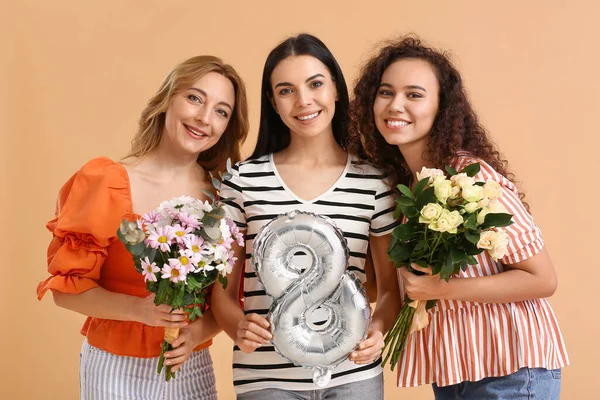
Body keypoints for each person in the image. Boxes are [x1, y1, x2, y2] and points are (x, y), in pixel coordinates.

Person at [349, 35, 569, 399]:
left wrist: (443, 289)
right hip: (455, 371)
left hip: (510, 368)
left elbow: (543, 279)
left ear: (441, 107)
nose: (395, 105)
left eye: (414, 95)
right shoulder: (404, 189)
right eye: (385, 92)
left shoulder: (470, 177)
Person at [36, 55, 249, 399]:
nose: (204, 118)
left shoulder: (223, 197)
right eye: (194, 98)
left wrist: (196, 334)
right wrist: (140, 311)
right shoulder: (106, 182)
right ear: (167, 99)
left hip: (189, 366)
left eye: (221, 111)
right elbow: (65, 290)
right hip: (112, 366)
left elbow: (226, 300)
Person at [211, 33, 400, 400]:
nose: (303, 101)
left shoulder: (374, 183)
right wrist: (239, 328)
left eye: (315, 84)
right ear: (273, 102)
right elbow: (222, 294)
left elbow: (391, 289)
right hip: (265, 380)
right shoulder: (241, 182)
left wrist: (377, 330)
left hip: (354, 377)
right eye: (286, 90)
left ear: (336, 90)